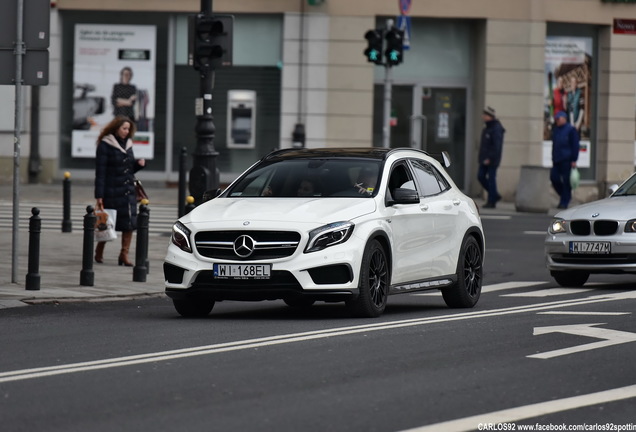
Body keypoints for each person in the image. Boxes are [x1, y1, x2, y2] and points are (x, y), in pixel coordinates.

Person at [94, 116, 146, 266]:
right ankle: (99, 251)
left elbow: (129, 169)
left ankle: (124, 254)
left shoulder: (128, 144)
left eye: (128, 129)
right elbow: (100, 172)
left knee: (129, 223)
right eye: (124, 128)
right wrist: (99, 196)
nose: (126, 131)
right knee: (108, 223)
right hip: (111, 190)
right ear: (116, 128)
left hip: (128, 190)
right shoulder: (105, 145)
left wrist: (139, 165)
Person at [477, 106, 505, 208]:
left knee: (491, 178)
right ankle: (494, 195)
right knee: (480, 176)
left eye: (485, 115)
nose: (483, 117)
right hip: (484, 158)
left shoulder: (496, 128)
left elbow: (496, 146)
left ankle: (491, 201)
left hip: (491, 159)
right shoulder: (487, 128)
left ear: (490, 116)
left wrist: (490, 158)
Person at [550, 111, 580, 209]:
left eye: (559, 119)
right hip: (557, 159)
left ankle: (564, 202)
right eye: (556, 119)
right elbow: (554, 145)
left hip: (567, 160)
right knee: (554, 178)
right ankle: (564, 196)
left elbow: (575, 145)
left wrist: (574, 159)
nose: (557, 121)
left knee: (567, 182)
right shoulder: (556, 130)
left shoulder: (571, 130)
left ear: (564, 119)